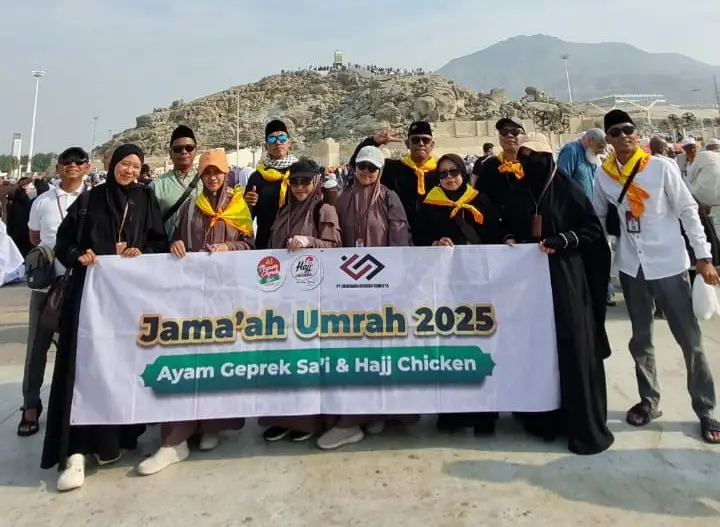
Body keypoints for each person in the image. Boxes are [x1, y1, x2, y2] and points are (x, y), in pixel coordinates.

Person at [41, 144, 169, 492]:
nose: (129, 171)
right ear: (112, 165)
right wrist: (78, 255)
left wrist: (142, 251)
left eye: (135, 166)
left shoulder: (144, 200)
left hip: (126, 302)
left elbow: (159, 242)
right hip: (89, 299)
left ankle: (113, 441)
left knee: (120, 368)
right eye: (124, 164)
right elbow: (64, 243)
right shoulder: (90, 199)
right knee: (83, 367)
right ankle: (76, 451)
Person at [593, 109, 720, 444]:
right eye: (616, 132)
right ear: (608, 139)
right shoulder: (604, 175)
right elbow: (598, 217)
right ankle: (649, 400)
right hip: (631, 266)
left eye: (629, 129)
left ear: (637, 134)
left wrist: (704, 257)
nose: (624, 136)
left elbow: (688, 211)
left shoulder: (660, 167)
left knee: (690, 340)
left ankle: (705, 408)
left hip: (668, 264)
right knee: (641, 339)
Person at [137, 151, 253, 476]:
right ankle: (175, 438)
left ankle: (212, 425)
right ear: (201, 176)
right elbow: (179, 238)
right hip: (193, 294)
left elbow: (250, 244)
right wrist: (176, 245)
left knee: (219, 359)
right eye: (207, 173)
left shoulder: (239, 206)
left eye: (218, 173)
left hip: (226, 294)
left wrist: (230, 247)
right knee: (187, 357)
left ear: (226, 175)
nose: (213, 178)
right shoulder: (191, 206)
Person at [499, 132, 615, 455]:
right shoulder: (519, 191)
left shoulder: (567, 189)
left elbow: (592, 229)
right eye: (523, 157)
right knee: (538, 347)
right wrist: (509, 236)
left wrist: (563, 240)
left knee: (572, 344)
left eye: (534, 157)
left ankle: (581, 424)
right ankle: (543, 419)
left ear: (548, 158)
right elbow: (506, 223)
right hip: (529, 282)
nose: (528, 163)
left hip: (565, 277)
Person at [317, 146, 410, 450]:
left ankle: (381, 412)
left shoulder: (388, 198)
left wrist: (395, 280)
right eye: (361, 167)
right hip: (349, 286)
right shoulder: (343, 198)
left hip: (381, 285)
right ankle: (356, 416)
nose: (366, 172)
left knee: (381, 349)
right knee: (356, 350)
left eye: (371, 168)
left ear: (380, 171)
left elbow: (399, 236)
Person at [259, 159, 341, 443]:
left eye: (305, 181)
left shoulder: (324, 209)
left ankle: (309, 421)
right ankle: (283, 418)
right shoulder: (284, 210)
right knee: (284, 358)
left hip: (312, 295)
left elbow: (335, 246)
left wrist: (310, 242)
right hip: (282, 294)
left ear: (316, 182)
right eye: (295, 181)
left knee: (308, 360)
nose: (300, 187)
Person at [18, 149, 90, 438]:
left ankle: (72, 403)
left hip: (80, 282)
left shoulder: (93, 199)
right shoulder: (43, 201)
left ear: (87, 168)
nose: (72, 166)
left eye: (78, 162)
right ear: (59, 167)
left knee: (78, 347)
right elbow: (35, 237)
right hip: (48, 284)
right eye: (66, 162)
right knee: (37, 346)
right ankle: (30, 404)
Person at [349, 121, 438, 244]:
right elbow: (358, 164)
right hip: (398, 241)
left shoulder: (442, 172)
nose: (421, 143)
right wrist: (372, 142)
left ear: (432, 145)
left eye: (425, 140)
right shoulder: (392, 169)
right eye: (415, 140)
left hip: (434, 243)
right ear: (407, 143)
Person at [243, 120, 300, 249]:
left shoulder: (300, 172)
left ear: (289, 143)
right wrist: (248, 204)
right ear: (266, 146)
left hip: (297, 244)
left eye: (282, 138)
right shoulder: (257, 177)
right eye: (272, 139)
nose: (278, 142)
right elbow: (247, 217)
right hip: (266, 244)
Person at [150, 125, 201, 239]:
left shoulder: (206, 183)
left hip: (201, 248)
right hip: (168, 248)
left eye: (189, 148)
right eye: (178, 149)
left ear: (196, 151)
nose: (184, 152)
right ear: (170, 152)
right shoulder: (157, 186)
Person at [474, 117, 526, 214]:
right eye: (504, 132)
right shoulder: (489, 166)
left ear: (524, 136)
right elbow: (480, 198)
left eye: (515, 131)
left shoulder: (533, 165)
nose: (509, 135)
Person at [556, 128, 606, 199]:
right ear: (591, 140)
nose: (602, 152)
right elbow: (561, 181)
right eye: (600, 147)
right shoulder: (571, 151)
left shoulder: (590, 155)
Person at [6, 177, 34, 257]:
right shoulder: (23, 198)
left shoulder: (15, 197)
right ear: (24, 186)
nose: (31, 187)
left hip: (14, 229)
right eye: (29, 185)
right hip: (22, 229)